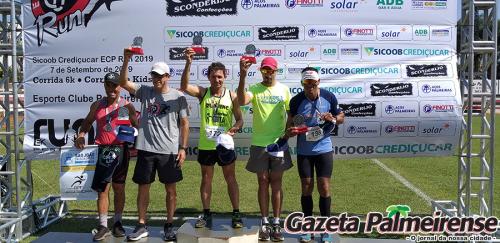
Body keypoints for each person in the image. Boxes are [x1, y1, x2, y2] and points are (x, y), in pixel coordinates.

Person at [118, 48, 189, 242]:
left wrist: (182, 148)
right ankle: (141, 225)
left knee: (171, 190)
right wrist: (126, 59)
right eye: (154, 75)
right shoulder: (145, 91)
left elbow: (184, 124)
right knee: (143, 188)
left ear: (167, 76)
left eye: (160, 75)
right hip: (146, 150)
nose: (156, 78)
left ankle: (168, 225)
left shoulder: (178, 96)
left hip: (169, 151)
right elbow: (123, 82)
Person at [180, 48, 244, 228]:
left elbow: (240, 119)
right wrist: (188, 63)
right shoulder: (203, 93)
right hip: (207, 145)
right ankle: (207, 213)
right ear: (208, 77)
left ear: (225, 77)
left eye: (220, 76)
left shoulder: (231, 96)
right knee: (206, 179)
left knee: (230, 178)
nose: (217, 79)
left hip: (224, 145)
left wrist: (234, 128)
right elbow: (185, 86)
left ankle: (236, 214)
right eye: (214, 76)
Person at [75, 72, 138, 241]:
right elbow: (87, 123)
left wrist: (135, 134)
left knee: (119, 188)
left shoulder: (127, 106)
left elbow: (137, 125)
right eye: (108, 85)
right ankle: (103, 225)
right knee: (103, 190)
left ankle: (117, 223)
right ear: (104, 85)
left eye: (115, 85)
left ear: (120, 87)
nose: (112, 89)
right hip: (104, 151)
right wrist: (81, 135)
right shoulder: (97, 105)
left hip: (122, 150)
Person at [237, 57, 292, 241]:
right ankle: (264, 222)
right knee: (262, 181)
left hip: (278, 144)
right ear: (261, 71)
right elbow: (242, 101)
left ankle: (276, 222)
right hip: (260, 143)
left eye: (271, 70)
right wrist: (243, 75)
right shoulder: (254, 88)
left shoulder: (284, 89)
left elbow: (290, 113)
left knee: (276, 181)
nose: (268, 74)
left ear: (276, 71)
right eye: (265, 70)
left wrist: (286, 133)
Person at [286, 67, 344, 243]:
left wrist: (332, 119)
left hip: (324, 148)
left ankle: (325, 229)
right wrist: (292, 131)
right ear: (302, 83)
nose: (309, 86)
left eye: (313, 83)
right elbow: (289, 126)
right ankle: (308, 227)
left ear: (318, 82)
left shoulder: (329, 96)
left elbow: (341, 116)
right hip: (304, 151)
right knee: (306, 187)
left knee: (324, 186)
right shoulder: (296, 101)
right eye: (306, 83)